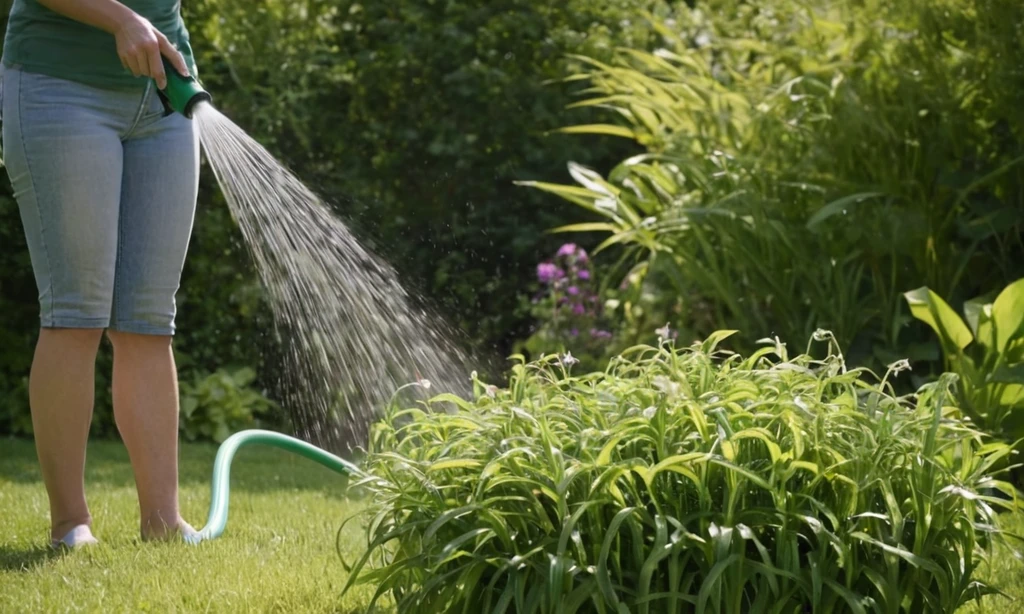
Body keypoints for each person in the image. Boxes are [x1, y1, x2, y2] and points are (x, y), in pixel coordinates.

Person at [1, 0, 202, 548]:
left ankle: (162, 522)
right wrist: (120, 18)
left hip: (162, 95)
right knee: (75, 313)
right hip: (60, 88)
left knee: (149, 319)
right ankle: (70, 524)